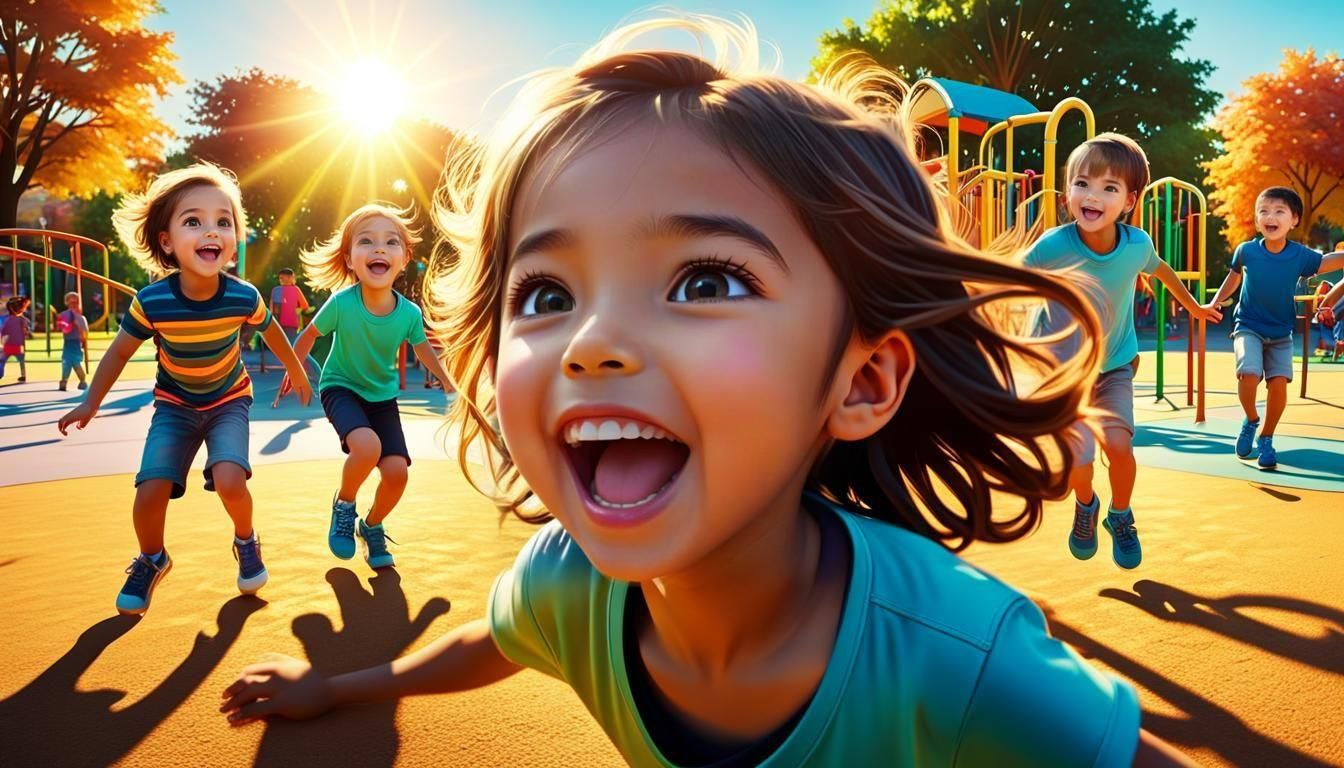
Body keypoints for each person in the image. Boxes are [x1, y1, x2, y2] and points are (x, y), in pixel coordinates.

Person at [220, 17, 1194, 766]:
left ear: (861, 382)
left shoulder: (966, 661)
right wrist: (342, 687)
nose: (594, 342)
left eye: (707, 282)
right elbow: (496, 640)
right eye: (547, 293)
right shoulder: (571, 583)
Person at [56, 162, 313, 615]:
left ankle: (246, 540)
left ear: (234, 239)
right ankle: (152, 558)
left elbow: (272, 331)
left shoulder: (243, 296)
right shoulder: (151, 301)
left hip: (228, 401)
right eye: (193, 221)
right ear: (167, 241)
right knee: (149, 492)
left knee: (231, 480)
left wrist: (296, 368)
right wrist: (90, 400)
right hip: (174, 407)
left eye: (223, 221)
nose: (211, 230)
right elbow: (117, 353)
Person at [1024, 133, 1220, 569]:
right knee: (1078, 459)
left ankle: (1121, 514)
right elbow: (1008, 278)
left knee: (1118, 447)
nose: (1092, 196)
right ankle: (1087, 506)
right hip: (1066, 372)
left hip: (1113, 366)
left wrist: (1196, 306)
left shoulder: (1136, 246)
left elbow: (1162, 270)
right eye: (1082, 184)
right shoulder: (1053, 247)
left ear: (1129, 200)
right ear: (1066, 193)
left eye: (1109, 188)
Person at [276, 202, 453, 570]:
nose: (378, 249)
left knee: (397, 474)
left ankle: (370, 525)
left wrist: (449, 380)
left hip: (382, 397)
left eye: (390, 243)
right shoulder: (342, 303)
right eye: (367, 242)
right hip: (340, 387)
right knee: (367, 447)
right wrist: (294, 370)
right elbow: (308, 335)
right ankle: (344, 505)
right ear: (350, 258)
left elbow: (424, 351)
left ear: (404, 258)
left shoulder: (409, 313)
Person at [1202, 188, 1344, 468]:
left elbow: (1327, 261)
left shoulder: (1300, 256)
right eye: (1264, 211)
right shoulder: (1247, 251)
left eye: (1279, 211)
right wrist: (1216, 302)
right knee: (1248, 373)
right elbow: (1233, 279)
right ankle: (1251, 419)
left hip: (1280, 332)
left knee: (1279, 385)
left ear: (1293, 220)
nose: (1270, 216)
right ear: (1257, 220)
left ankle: (1266, 437)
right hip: (1248, 325)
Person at [57, 291, 90, 391]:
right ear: (67, 303)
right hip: (68, 342)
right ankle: (64, 381)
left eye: (75, 303)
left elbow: (85, 332)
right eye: (71, 303)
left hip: (76, 343)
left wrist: (79, 328)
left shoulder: (81, 318)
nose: (73, 305)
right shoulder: (63, 315)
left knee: (76, 363)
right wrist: (67, 326)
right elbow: (61, 327)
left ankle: (82, 381)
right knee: (66, 362)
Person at [0, 296, 31, 382]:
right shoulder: (23, 320)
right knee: (21, 361)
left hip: (8, 345)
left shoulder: (7, 320)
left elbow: (3, 331)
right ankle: (23, 375)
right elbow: (27, 331)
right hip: (19, 345)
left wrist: (2, 341)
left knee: (2, 360)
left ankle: (0, 373)